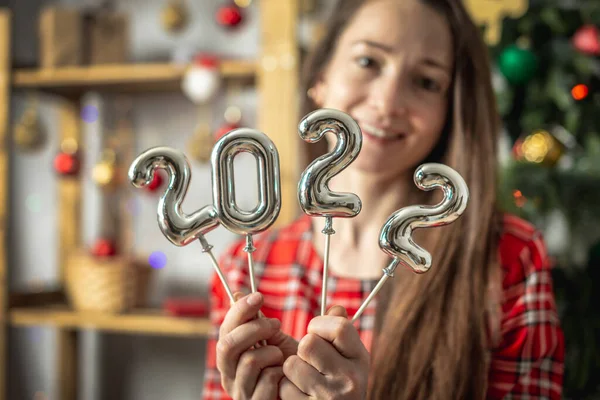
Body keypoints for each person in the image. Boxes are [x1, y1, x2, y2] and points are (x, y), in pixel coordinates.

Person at [201, 0, 565, 398]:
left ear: (450, 111)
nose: (388, 101)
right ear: (320, 77)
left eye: (426, 82)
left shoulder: (509, 259)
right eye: (368, 62)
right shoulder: (244, 268)